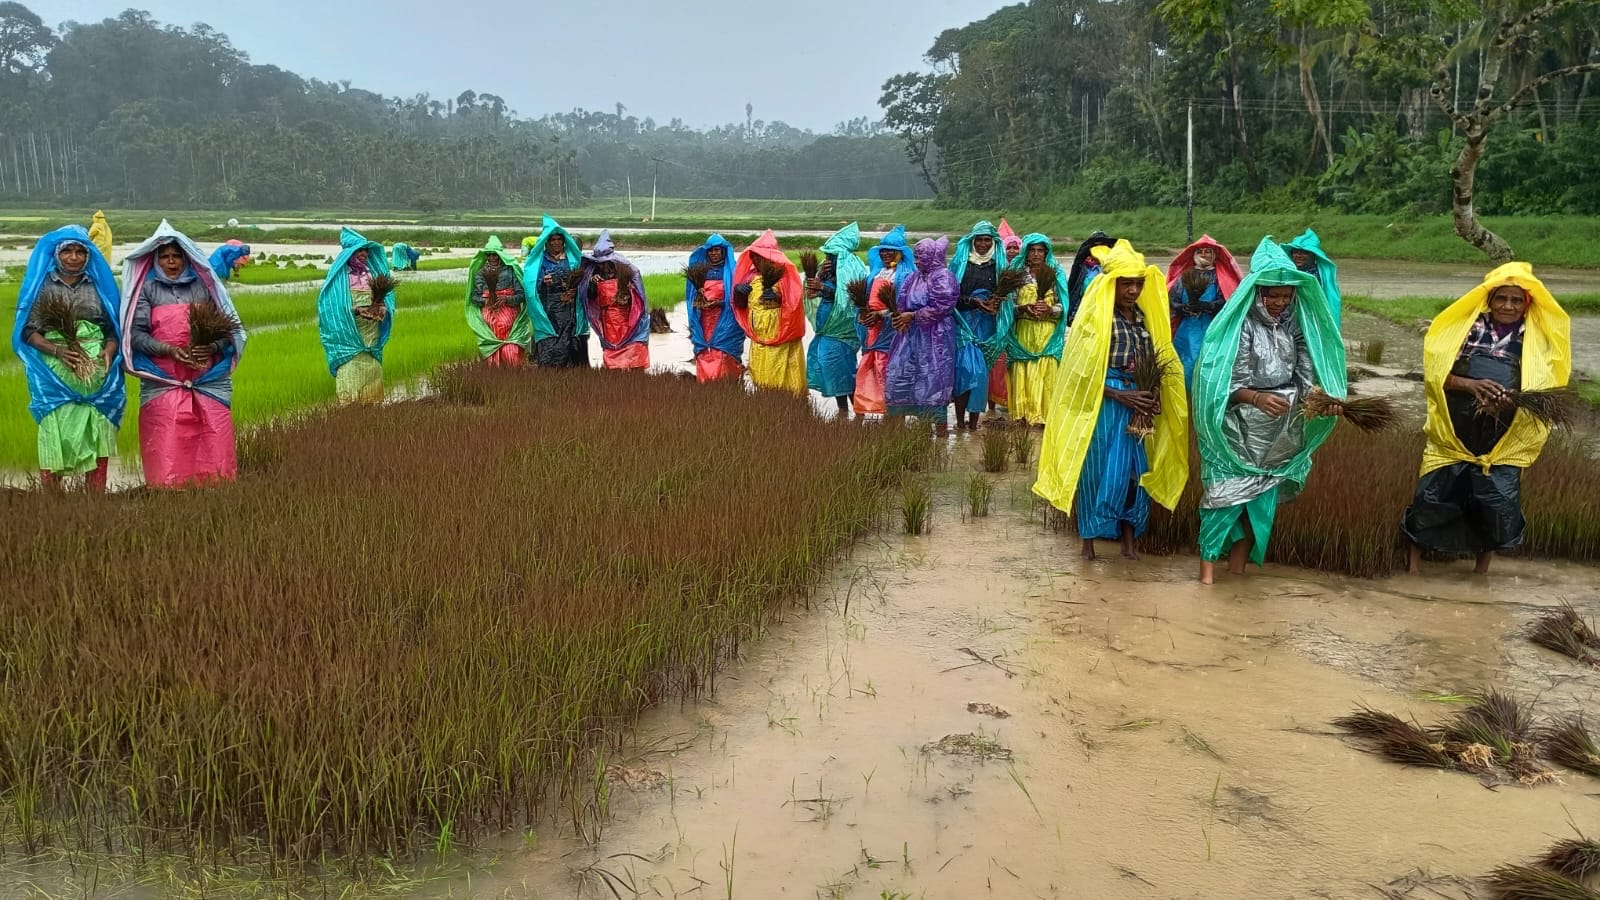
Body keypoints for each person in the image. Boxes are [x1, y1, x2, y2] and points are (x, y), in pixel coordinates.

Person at [1401, 262, 1571, 575]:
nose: (1508, 305)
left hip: (1502, 437)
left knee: (1494, 505)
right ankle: (1413, 573)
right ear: (1489, 300)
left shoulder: (1538, 339)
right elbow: (1435, 376)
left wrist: (1510, 401)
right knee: (1430, 497)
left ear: (1527, 304)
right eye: (1501, 298)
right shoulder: (1464, 330)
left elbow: (1547, 386)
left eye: (1516, 300)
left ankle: (1481, 577)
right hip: (1455, 432)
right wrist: (1469, 384)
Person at [1192, 238, 1346, 584]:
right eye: (1272, 295)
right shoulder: (1239, 326)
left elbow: (1306, 372)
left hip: (1280, 431)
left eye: (1286, 295)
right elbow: (1219, 382)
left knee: (1259, 504)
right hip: (1238, 430)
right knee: (1223, 500)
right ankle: (1205, 578)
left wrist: (1320, 400)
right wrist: (1255, 398)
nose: (1279, 302)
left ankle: (1237, 570)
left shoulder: (1294, 326)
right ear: (1257, 291)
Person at [1034, 240, 1188, 561]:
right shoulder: (1097, 321)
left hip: (1138, 402)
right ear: (1112, 285)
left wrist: (1153, 395)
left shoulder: (1144, 318)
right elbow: (1081, 372)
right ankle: (1088, 542)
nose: (1133, 291)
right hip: (1104, 404)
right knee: (1098, 470)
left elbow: (1153, 359)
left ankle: (1129, 542)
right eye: (1126, 284)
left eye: (1138, 284)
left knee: (1135, 472)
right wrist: (1120, 395)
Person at [121, 221, 247, 488]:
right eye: (164, 257)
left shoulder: (204, 288)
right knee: (168, 437)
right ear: (156, 260)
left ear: (186, 257)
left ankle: (216, 489)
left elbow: (227, 331)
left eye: (176, 256)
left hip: (207, 376)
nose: (171, 262)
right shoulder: (147, 291)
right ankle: (168, 492)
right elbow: (136, 335)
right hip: (164, 377)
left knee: (213, 435)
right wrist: (169, 350)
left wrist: (211, 348)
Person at [12, 226, 126, 491]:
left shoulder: (99, 286)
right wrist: (59, 351)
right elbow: (28, 331)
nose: (74, 257)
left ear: (88, 256)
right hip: (54, 371)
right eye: (67, 251)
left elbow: (113, 328)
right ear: (56, 254)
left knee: (96, 423)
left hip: (96, 366)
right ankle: (52, 496)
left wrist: (108, 351)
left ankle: (95, 494)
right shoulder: (42, 286)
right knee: (55, 425)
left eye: (79, 252)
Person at [992, 234, 1070, 426]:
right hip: (1023, 331)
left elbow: (1064, 305)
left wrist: (1051, 309)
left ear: (1046, 252)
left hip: (1047, 334)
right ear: (1026, 253)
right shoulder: (1015, 275)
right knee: (1022, 372)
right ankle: (1023, 418)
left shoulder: (1055, 274)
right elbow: (1007, 305)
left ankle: (1045, 419)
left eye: (1040, 250)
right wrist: (1022, 309)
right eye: (1032, 250)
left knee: (1046, 372)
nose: (1036, 254)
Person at [317, 227, 393, 404]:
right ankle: (350, 415)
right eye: (359, 250)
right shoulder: (339, 277)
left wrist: (381, 310)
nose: (364, 254)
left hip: (371, 334)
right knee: (350, 374)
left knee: (372, 375)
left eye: (366, 250)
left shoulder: (371, 275)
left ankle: (371, 414)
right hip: (348, 336)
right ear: (350, 252)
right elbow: (331, 308)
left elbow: (383, 301)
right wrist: (355, 310)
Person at [885, 236, 958, 421]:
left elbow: (943, 306)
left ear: (933, 256)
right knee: (899, 375)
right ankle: (897, 433)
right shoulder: (913, 277)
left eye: (921, 257)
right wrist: (899, 318)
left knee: (933, 379)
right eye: (916, 257)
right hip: (910, 336)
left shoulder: (943, 276)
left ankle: (937, 433)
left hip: (936, 337)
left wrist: (914, 315)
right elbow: (901, 301)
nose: (917, 262)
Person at [731, 230, 806, 394]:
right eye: (753, 257)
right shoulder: (749, 277)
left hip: (781, 341)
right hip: (759, 341)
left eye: (759, 256)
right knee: (762, 381)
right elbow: (741, 306)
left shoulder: (784, 276)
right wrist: (738, 293)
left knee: (784, 383)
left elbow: (795, 305)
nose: (756, 260)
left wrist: (779, 298)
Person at [950, 221, 1008, 430]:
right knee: (964, 369)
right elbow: (951, 296)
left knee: (981, 373)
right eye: (979, 240)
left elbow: (1005, 296)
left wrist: (995, 303)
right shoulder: (960, 264)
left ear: (992, 242)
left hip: (987, 326)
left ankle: (973, 424)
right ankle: (958, 421)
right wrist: (973, 302)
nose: (983, 244)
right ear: (972, 241)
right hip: (963, 323)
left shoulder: (999, 267)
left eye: (987, 240)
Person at [806, 223, 867, 412]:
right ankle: (843, 411)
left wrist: (823, 287)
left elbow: (846, 298)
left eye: (831, 255)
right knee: (832, 370)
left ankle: (858, 412)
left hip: (842, 333)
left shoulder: (851, 269)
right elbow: (811, 292)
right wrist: (820, 275)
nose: (828, 258)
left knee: (844, 371)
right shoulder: (828, 271)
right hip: (827, 331)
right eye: (827, 255)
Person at [1167, 235, 1242, 384]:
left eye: (1207, 251)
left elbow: (1226, 301)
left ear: (1213, 256)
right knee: (1183, 365)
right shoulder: (1185, 275)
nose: (1203, 254)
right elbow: (1173, 298)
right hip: (1186, 329)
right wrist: (1182, 307)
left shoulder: (1219, 277)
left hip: (1211, 328)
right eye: (1200, 251)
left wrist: (1207, 306)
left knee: (1206, 364)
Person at [854, 227, 913, 416]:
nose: (886, 254)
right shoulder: (876, 273)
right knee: (873, 368)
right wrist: (865, 315)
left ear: (900, 253)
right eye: (883, 250)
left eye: (890, 250)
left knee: (890, 370)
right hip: (874, 330)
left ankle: (895, 414)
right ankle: (874, 409)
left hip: (894, 330)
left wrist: (881, 314)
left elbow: (906, 306)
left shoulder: (906, 276)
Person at [522, 216, 589, 368]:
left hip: (569, 309)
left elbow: (583, 281)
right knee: (551, 343)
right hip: (549, 309)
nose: (557, 242)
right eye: (553, 239)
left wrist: (574, 291)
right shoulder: (541, 261)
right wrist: (543, 282)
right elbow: (530, 286)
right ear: (547, 242)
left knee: (570, 342)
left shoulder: (571, 259)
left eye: (559, 239)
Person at [578, 230, 650, 370]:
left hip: (628, 319)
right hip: (608, 322)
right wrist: (592, 283)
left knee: (634, 352)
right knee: (613, 356)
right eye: (601, 263)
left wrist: (627, 292)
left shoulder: (628, 271)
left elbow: (640, 299)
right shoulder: (594, 273)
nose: (604, 266)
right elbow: (589, 297)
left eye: (606, 262)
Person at [685, 234, 745, 382]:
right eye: (710, 250)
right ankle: (706, 387)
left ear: (723, 251)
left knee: (724, 355)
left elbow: (738, 299)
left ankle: (728, 387)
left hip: (727, 322)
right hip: (705, 323)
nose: (713, 253)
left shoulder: (734, 272)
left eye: (717, 250)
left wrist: (720, 303)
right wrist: (700, 302)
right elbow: (692, 297)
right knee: (706, 353)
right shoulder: (700, 271)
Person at [466, 235, 530, 367]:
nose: (492, 258)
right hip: (490, 313)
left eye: (494, 255)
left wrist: (506, 299)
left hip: (509, 312)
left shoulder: (511, 271)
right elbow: (474, 296)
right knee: (494, 337)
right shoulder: (480, 273)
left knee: (509, 343)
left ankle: (513, 369)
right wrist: (485, 301)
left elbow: (522, 295)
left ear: (500, 255)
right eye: (489, 255)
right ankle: (495, 371)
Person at [1281, 229, 1343, 325]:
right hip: (1289, 319)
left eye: (1303, 252)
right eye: (1295, 252)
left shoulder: (1321, 276)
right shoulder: (1288, 273)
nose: (1298, 256)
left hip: (1314, 320)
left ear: (1314, 255)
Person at [1067, 231, 1116, 320]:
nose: (1099, 249)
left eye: (1103, 246)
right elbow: (1074, 288)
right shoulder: (1082, 266)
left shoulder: (1114, 267)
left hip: (1107, 312)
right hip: (1085, 311)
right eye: (1096, 246)